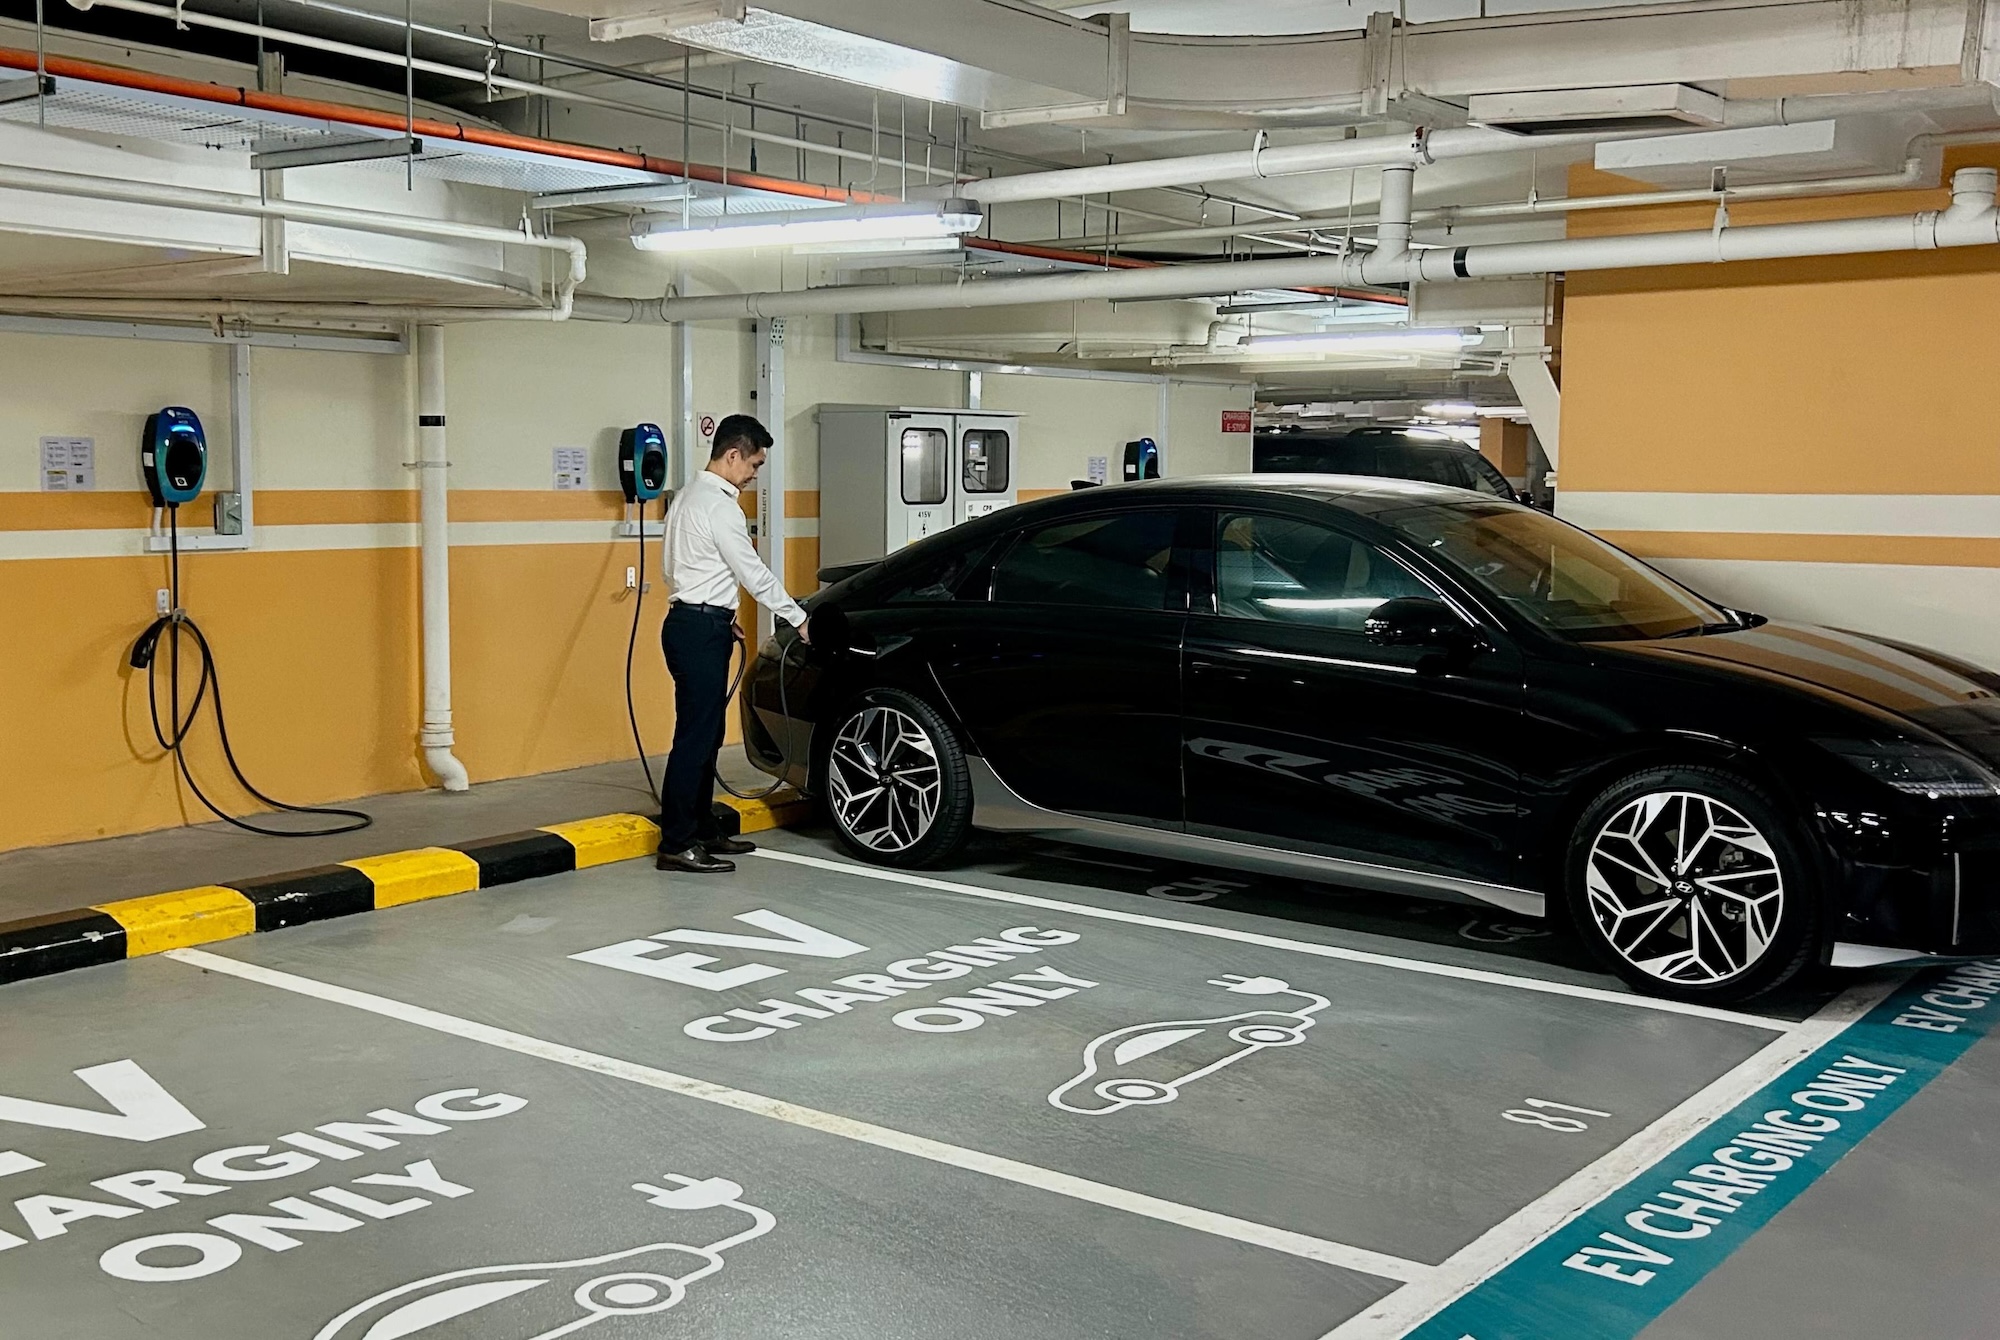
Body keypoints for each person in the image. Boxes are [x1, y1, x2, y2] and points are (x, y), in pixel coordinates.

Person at [655, 414, 808, 874]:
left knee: (707, 735)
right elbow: (751, 571)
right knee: (695, 738)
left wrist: (722, 615)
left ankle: (701, 829)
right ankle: (677, 842)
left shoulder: (687, 496)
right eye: (755, 464)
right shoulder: (722, 506)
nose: (755, 473)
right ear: (733, 454)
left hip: (691, 622)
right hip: (699, 630)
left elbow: (679, 567)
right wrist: (798, 618)